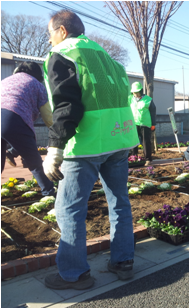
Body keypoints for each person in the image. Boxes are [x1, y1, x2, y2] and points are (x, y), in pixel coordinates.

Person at [42, 9, 139, 290]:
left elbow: (66, 105)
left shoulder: (63, 54)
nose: (50, 41)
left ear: (61, 31)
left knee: (69, 210)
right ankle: (123, 262)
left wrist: (55, 147)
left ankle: (74, 274)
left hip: (84, 145)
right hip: (119, 141)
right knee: (119, 201)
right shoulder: (106, 57)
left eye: (51, 35)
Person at [1, 62, 55, 197]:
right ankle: (49, 193)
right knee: (34, 161)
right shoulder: (36, 84)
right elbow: (48, 116)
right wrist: (57, 133)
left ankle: (12, 152)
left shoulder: (5, 80)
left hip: (8, 118)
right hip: (12, 118)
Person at [128, 81, 156, 165]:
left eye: (137, 92)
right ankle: (134, 158)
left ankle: (148, 159)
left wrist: (153, 124)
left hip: (145, 124)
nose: (136, 94)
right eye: (134, 92)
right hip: (133, 123)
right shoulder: (129, 99)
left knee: (146, 141)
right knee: (133, 141)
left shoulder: (148, 100)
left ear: (141, 90)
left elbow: (153, 112)